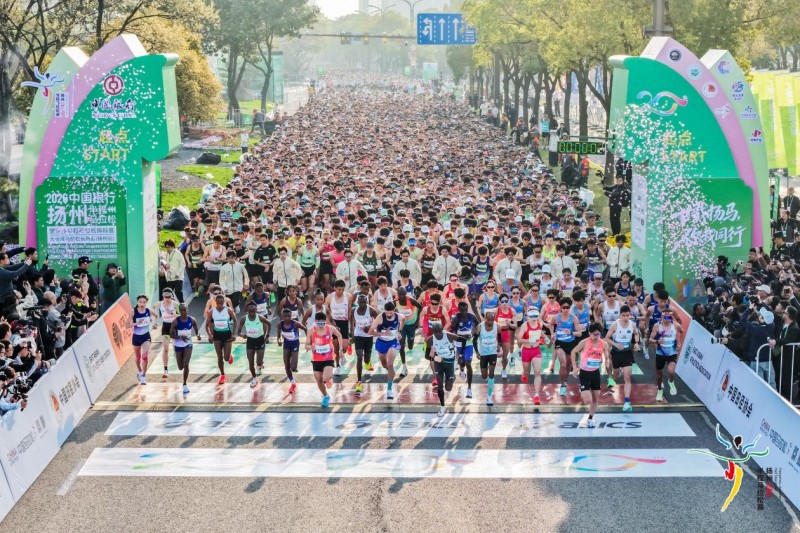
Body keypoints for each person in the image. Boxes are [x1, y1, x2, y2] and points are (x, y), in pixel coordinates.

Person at [570, 323, 611, 428]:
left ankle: (590, 418)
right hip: (584, 372)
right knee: (588, 400)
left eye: (598, 334)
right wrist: (575, 367)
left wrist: (607, 361)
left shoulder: (603, 344)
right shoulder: (584, 343)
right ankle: (582, 389)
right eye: (594, 334)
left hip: (595, 373)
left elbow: (606, 354)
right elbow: (573, 352)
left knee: (595, 399)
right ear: (589, 333)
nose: (596, 337)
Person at [605, 305, 641, 412]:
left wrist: (637, 343)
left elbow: (636, 334)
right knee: (616, 375)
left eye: (627, 315)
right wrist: (616, 344)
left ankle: (626, 402)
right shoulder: (615, 325)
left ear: (630, 315)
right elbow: (606, 338)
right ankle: (611, 380)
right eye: (623, 315)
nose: (625, 317)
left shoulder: (633, 325)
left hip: (627, 353)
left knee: (627, 377)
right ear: (620, 315)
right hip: (616, 353)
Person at [427, 322, 466, 417]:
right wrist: (434, 356)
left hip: (449, 362)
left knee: (449, 383)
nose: (438, 334)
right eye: (435, 332)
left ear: (442, 330)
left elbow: (463, 340)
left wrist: (461, 354)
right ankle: (442, 407)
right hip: (439, 363)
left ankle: (448, 391)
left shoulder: (448, 336)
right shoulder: (430, 339)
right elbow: (428, 355)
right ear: (433, 332)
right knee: (440, 386)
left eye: (439, 332)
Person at [368, 302, 405, 400]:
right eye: (387, 313)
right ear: (384, 311)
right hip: (381, 343)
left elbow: (403, 319)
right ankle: (391, 372)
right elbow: (370, 332)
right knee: (384, 365)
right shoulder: (380, 318)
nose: (389, 315)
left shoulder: (398, 316)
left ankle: (389, 390)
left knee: (390, 364)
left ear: (394, 310)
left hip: (392, 343)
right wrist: (382, 334)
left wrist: (399, 331)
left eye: (390, 313)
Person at [306, 311, 342, 407]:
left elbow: (339, 335)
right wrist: (310, 347)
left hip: (328, 358)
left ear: (325, 321)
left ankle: (328, 379)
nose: (321, 325)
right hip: (316, 359)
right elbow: (306, 345)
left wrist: (341, 349)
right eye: (319, 323)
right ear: (316, 321)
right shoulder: (311, 331)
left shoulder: (330, 329)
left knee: (325, 378)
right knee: (319, 380)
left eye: (323, 322)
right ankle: (326, 396)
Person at [648, 309, 683, 402]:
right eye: (665, 317)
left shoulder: (675, 325)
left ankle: (671, 381)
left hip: (672, 352)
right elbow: (650, 340)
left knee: (671, 371)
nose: (667, 319)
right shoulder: (657, 326)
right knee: (659, 375)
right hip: (660, 353)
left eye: (669, 317)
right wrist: (657, 341)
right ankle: (659, 390)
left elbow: (681, 332)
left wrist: (679, 342)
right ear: (662, 317)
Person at [549, 297, 581, 397]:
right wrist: (552, 334)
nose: (566, 310)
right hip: (560, 343)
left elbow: (579, 333)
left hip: (571, 343)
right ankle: (562, 386)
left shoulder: (574, 318)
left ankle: (565, 380)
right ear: (560, 308)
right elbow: (550, 325)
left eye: (568, 307)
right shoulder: (556, 317)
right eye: (564, 307)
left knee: (568, 366)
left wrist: (571, 332)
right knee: (562, 364)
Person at [517, 308, 548, 405]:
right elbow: (519, 339)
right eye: (532, 316)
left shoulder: (540, 324)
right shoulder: (524, 326)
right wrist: (528, 341)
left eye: (536, 316)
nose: (534, 318)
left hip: (536, 350)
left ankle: (536, 395)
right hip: (526, 350)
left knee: (537, 372)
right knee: (527, 372)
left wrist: (545, 337)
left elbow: (540, 331)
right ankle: (525, 374)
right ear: (527, 317)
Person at [237, 302, 272, 388]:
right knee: (250, 363)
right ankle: (254, 378)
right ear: (247, 311)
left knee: (259, 362)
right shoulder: (243, 319)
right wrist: (242, 335)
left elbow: (269, 324)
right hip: (250, 341)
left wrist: (267, 336)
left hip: (260, 340)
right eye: (250, 311)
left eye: (253, 311)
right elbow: (238, 331)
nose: (252, 313)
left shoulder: (260, 317)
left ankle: (260, 364)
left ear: (256, 311)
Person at [205, 293, 237, 384]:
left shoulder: (228, 310)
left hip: (227, 334)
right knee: (219, 357)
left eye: (221, 303)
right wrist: (209, 335)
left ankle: (229, 355)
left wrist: (234, 334)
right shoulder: (211, 311)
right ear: (215, 302)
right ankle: (222, 375)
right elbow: (206, 325)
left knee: (226, 358)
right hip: (217, 336)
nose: (219, 305)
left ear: (224, 302)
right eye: (218, 303)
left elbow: (235, 320)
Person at [169, 303, 200, 395]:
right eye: (181, 310)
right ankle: (177, 355)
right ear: (179, 311)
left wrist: (198, 335)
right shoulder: (175, 321)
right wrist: (179, 337)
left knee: (186, 364)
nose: (183, 311)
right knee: (180, 367)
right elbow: (171, 335)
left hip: (188, 343)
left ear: (187, 309)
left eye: (184, 309)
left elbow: (196, 329)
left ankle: (185, 384)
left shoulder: (192, 320)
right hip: (178, 344)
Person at [351, 293, 378, 395]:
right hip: (358, 336)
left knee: (366, 358)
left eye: (364, 302)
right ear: (357, 302)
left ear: (367, 302)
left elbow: (378, 321)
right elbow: (351, 321)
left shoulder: (371, 310)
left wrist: (371, 328)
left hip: (368, 337)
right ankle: (359, 381)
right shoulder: (354, 310)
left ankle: (368, 363)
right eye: (360, 302)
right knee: (359, 357)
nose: (362, 304)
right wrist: (351, 332)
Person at [450, 301, 478, 398]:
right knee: (461, 362)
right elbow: (452, 330)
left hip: (469, 343)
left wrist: (472, 333)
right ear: (459, 310)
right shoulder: (456, 318)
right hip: (459, 343)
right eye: (462, 310)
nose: (464, 312)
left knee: (468, 363)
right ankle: (461, 370)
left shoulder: (472, 316)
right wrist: (454, 339)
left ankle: (469, 389)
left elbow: (477, 325)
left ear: (467, 309)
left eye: (465, 310)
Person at [326, 280, 353, 375]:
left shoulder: (348, 297)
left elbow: (350, 310)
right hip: (334, 324)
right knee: (336, 347)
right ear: (335, 288)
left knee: (344, 348)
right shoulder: (329, 298)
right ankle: (338, 366)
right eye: (339, 289)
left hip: (344, 323)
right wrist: (330, 325)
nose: (340, 291)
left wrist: (351, 324)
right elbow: (326, 312)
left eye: (342, 289)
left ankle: (347, 347)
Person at [276, 308, 306, 394]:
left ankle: (295, 362)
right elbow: (278, 336)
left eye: (289, 316)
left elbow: (305, 329)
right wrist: (279, 340)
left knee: (293, 368)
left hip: (295, 344)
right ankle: (293, 383)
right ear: (282, 316)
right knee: (286, 366)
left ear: (291, 316)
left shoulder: (295, 324)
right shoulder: (280, 324)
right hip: (286, 345)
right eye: (285, 316)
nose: (287, 318)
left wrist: (309, 340)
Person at [395, 285, 422, 376]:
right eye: (400, 294)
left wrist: (417, 321)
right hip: (402, 325)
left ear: (406, 294)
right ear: (398, 294)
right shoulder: (396, 301)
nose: (402, 296)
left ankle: (410, 342)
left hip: (411, 325)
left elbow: (420, 307)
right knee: (401, 345)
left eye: (403, 294)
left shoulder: (410, 300)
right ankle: (404, 367)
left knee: (410, 345)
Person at [477, 311, 500, 406]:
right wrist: (477, 351)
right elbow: (474, 340)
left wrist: (499, 345)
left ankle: (489, 396)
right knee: (484, 376)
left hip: (493, 352)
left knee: (491, 373)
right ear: (485, 318)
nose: (490, 321)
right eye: (488, 319)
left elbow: (500, 336)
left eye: (492, 320)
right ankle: (489, 381)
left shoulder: (497, 326)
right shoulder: (480, 327)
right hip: (483, 353)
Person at [156, 289, 178, 379]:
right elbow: (153, 314)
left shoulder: (175, 304)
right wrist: (155, 322)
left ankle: (178, 361)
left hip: (174, 327)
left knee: (176, 348)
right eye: (165, 297)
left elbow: (182, 316)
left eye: (169, 296)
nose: (167, 298)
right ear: (163, 296)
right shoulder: (159, 304)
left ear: (171, 296)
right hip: (165, 327)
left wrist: (173, 313)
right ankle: (165, 370)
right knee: (165, 349)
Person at [132, 295, 153, 385]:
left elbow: (155, 316)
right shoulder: (133, 312)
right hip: (136, 337)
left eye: (144, 302)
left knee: (144, 356)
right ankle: (140, 371)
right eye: (140, 302)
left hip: (146, 336)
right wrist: (137, 323)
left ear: (146, 303)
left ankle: (144, 376)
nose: (142, 304)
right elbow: (126, 325)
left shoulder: (148, 311)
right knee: (138, 358)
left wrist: (153, 323)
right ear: (137, 302)